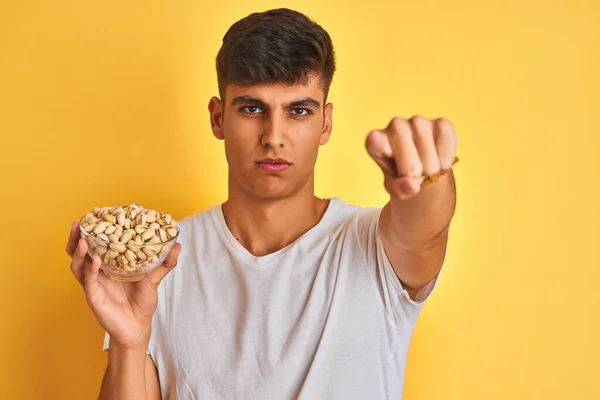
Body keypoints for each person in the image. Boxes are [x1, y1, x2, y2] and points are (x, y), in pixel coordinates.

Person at [66, 8, 458, 400]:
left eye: (299, 110)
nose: (274, 136)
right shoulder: (162, 262)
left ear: (325, 123)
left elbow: (425, 229)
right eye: (252, 108)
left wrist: (428, 176)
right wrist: (129, 342)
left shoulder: (375, 250)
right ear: (218, 118)